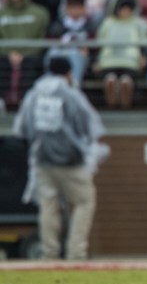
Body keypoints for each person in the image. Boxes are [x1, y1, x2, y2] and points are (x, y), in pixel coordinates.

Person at [12, 57, 109, 260]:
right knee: (84, 201)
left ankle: (49, 253)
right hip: (70, 162)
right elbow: (89, 126)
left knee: (48, 207)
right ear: (68, 73)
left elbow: (21, 128)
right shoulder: (71, 94)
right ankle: (76, 252)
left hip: (42, 161)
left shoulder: (34, 94)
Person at [0, 0, 50, 107]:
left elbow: (41, 39)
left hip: (31, 56)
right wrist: (9, 53)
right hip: (4, 55)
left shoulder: (40, 13)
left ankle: (28, 102)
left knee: (31, 63)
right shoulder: (1, 13)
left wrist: (23, 54)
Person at [95, 0, 147, 109]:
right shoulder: (107, 24)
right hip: (108, 61)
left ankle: (126, 97)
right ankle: (112, 96)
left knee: (127, 79)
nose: (125, 11)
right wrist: (96, 61)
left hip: (130, 61)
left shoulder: (139, 24)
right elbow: (99, 43)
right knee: (110, 77)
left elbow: (145, 42)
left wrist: (144, 56)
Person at [46, 0, 96, 88]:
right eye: (72, 7)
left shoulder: (89, 26)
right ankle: (50, 85)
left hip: (80, 56)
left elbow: (94, 45)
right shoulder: (58, 25)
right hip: (60, 52)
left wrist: (88, 49)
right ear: (66, 8)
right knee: (52, 54)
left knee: (75, 54)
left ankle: (74, 86)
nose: (75, 10)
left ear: (84, 8)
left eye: (78, 7)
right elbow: (50, 41)